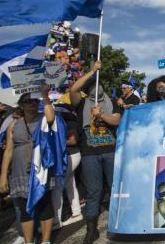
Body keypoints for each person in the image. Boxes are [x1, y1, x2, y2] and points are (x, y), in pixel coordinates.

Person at [70, 61, 121, 244]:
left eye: (97, 83)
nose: (95, 86)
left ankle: (121, 222)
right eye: (92, 84)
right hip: (89, 154)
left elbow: (116, 121)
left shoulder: (111, 102)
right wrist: (92, 71)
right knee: (94, 191)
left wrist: (100, 115)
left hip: (110, 152)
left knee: (116, 188)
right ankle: (91, 229)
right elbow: (73, 90)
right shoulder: (82, 102)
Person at [0, 87, 56, 244]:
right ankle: (29, 241)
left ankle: (45, 240)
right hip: (19, 171)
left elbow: (51, 118)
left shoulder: (43, 119)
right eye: (27, 101)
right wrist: (3, 176)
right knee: (25, 209)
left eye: (35, 101)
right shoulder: (13, 125)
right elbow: (8, 151)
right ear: (21, 105)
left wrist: (44, 95)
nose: (32, 104)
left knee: (44, 205)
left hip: (40, 170)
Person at [50, 104, 83, 229]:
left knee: (57, 188)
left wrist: (55, 143)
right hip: (71, 156)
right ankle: (76, 212)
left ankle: (56, 220)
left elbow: (72, 140)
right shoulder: (65, 122)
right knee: (70, 184)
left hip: (70, 156)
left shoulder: (68, 123)